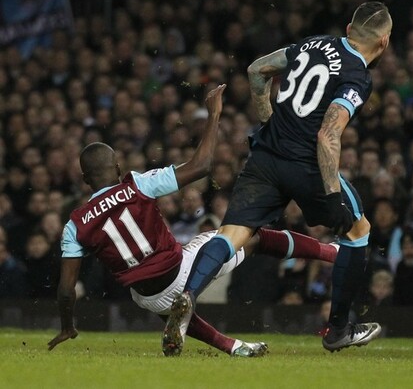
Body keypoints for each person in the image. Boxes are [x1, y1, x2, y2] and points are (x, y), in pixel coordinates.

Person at [167, 1, 393, 355]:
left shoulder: (314, 43)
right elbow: (328, 135)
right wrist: (332, 195)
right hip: (306, 165)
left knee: (232, 234)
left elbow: (257, 70)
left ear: (349, 29)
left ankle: (188, 295)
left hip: (266, 157)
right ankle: (338, 330)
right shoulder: (358, 76)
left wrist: (268, 119)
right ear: (384, 42)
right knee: (357, 232)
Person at [47, 85, 339, 357]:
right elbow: (201, 166)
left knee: (168, 303)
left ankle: (232, 347)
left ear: (85, 179)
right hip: (179, 271)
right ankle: (333, 252)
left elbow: (66, 289)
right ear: (118, 167)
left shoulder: (75, 225)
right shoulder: (138, 185)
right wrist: (213, 116)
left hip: (147, 296)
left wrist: (67, 325)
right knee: (251, 236)